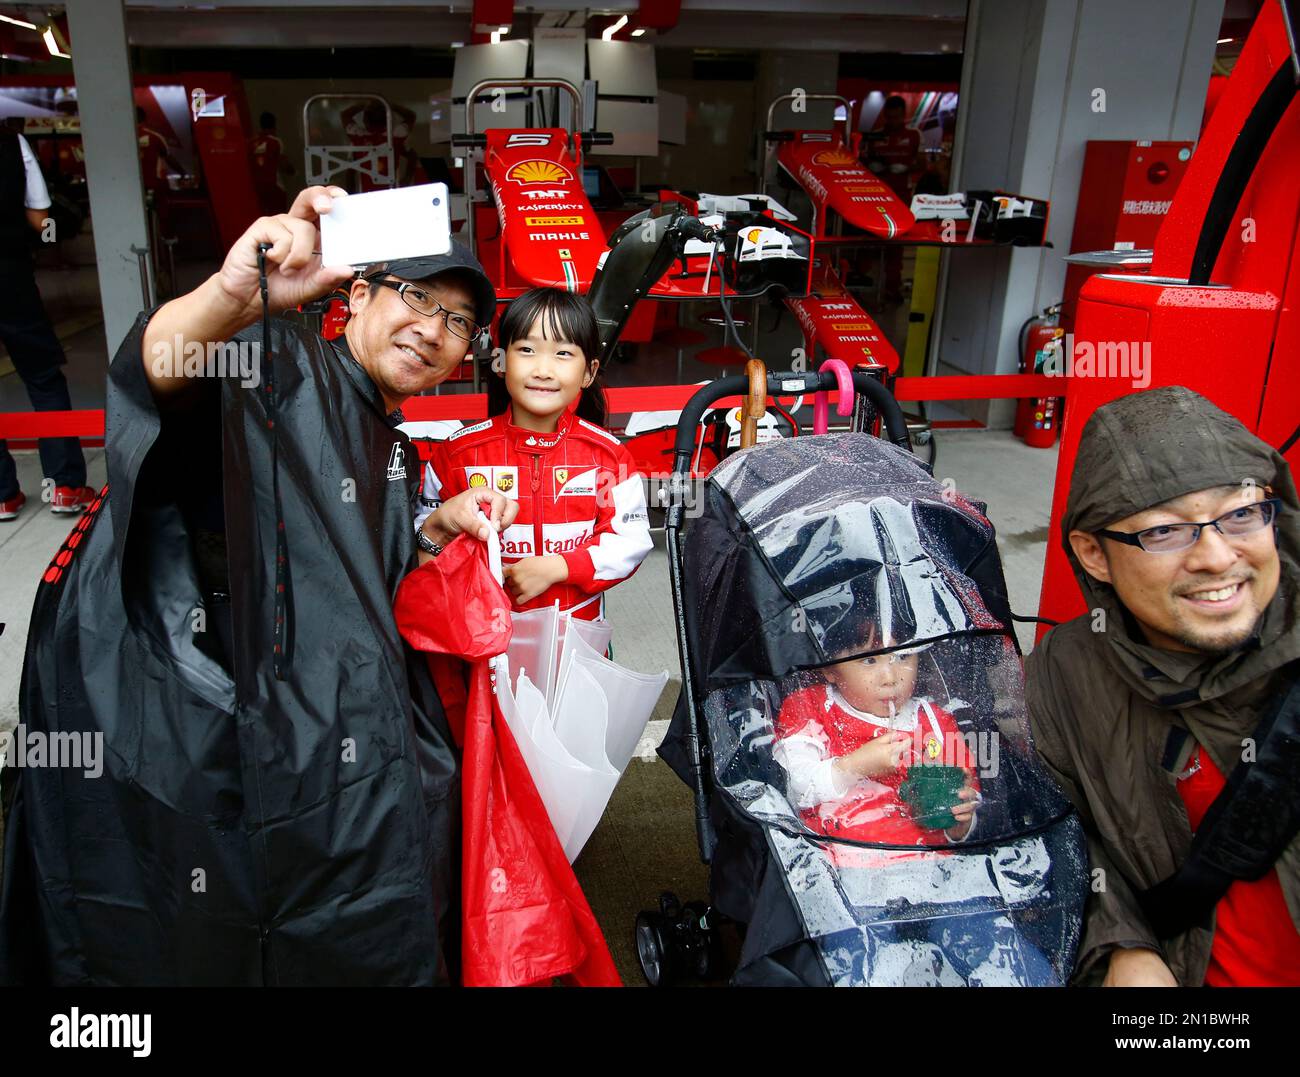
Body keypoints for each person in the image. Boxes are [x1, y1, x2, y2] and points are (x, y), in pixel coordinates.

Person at [0, 185, 515, 985]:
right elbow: (156, 367)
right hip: (187, 688)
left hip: (289, 698)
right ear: (357, 296)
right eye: (418, 297)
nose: (435, 331)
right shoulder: (280, 357)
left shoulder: (391, 442)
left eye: (460, 323)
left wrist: (429, 532)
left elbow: (340, 567)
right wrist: (234, 298)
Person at [1026, 386, 1300, 987]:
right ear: (1094, 553)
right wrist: (1119, 943)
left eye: (1242, 514)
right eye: (1165, 532)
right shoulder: (1064, 674)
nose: (1216, 556)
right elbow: (1051, 833)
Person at [416, 287, 652, 622]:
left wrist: (561, 567)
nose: (543, 369)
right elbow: (425, 536)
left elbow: (631, 540)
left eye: (563, 354)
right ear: (501, 362)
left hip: (578, 635)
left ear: (589, 372)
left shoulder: (608, 456)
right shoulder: (458, 453)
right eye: (526, 349)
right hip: (480, 634)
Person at [773, 634, 979, 845]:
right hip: (839, 862)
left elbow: (967, 796)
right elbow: (794, 787)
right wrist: (855, 767)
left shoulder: (936, 722)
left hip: (926, 863)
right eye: (869, 660)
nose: (890, 678)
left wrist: (957, 823)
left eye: (902, 656)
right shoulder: (811, 707)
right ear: (830, 668)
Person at [0, 122, 95, 521]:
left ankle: (4, 495)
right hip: (10, 280)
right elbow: (42, 219)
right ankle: (66, 486)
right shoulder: (10, 143)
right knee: (42, 377)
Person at [862, 95, 919, 303]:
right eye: (889, 117)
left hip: (901, 198)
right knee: (867, 242)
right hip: (874, 197)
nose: (893, 121)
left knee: (896, 246)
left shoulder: (913, 136)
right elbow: (862, 164)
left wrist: (907, 168)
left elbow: (922, 163)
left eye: (897, 117)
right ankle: (861, 283)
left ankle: (891, 288)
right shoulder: (875, 137)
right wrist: (872, 167)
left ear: (903, 115)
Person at [248, 111, 293, 216]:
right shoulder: (275, 142)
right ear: (274, 124)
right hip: (275, 186)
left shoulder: (251, 143)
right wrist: (293, 171)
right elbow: (284, 164)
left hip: (256, 187)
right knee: (279, 217)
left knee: (261, 216)